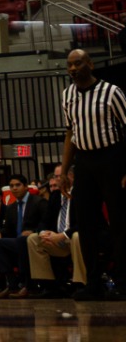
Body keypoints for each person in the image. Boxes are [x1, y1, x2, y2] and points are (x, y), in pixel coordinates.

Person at [62, 48, 126, 299]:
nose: (73, 69)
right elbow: (70, 134)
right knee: (85, 226)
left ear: (90, 64)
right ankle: (92, 283)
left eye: (78, 63)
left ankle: (122, 282)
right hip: (85, 163)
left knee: (120, 225)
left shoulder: (112, 92)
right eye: (69, 65)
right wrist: (64, 170)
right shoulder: (67, 94)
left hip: (112, 158)